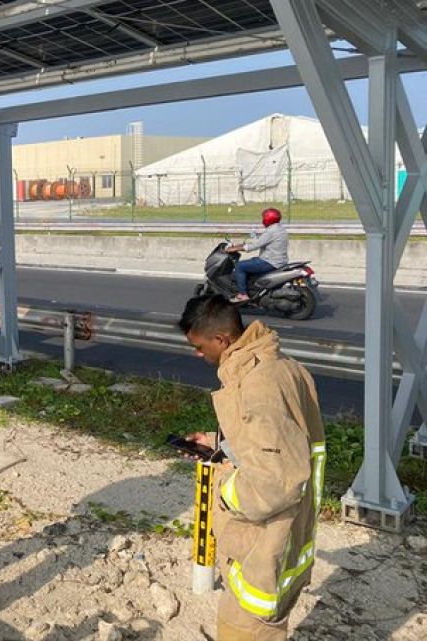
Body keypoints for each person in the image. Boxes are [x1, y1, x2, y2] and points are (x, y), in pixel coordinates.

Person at [177, 294, 326, 640]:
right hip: (284, 537)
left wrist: (225, 490)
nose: (199, 355)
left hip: (265, 546)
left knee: (244, 628)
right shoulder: (280, 365)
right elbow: (277, 441)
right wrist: (218, 444)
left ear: (221, 340)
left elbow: (274, 483)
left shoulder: (261, 384)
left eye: (200, 347)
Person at [226, 207, 288, 303]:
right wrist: (239, 245)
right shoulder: (280, 229)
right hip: (279, 261)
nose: (263, 220)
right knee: (252, 261)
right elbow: (260, 242)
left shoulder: (271, 231)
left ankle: (243, 294)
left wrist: (235, 248)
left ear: (267, 219)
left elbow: (254, 246)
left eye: (264, 217)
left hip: (269, 262)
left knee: (240, 266)